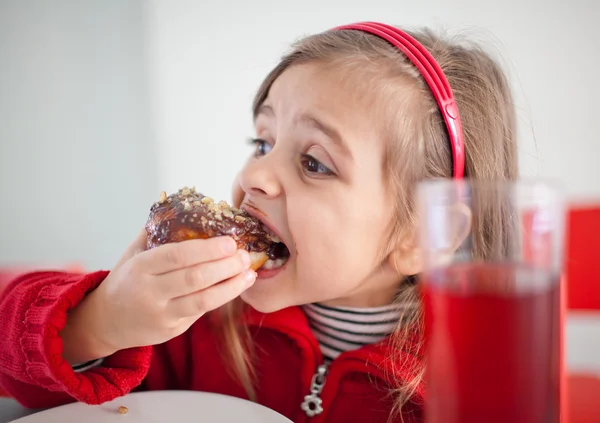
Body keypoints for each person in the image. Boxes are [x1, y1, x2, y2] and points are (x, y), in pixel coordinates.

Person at [0, 21, 517, 422]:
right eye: (262, 143)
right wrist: (102, 322)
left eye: (314, 163)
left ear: (424, 233)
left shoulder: (466, 386)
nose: (255, 175)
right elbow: (20, 373)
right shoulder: (195, 323)